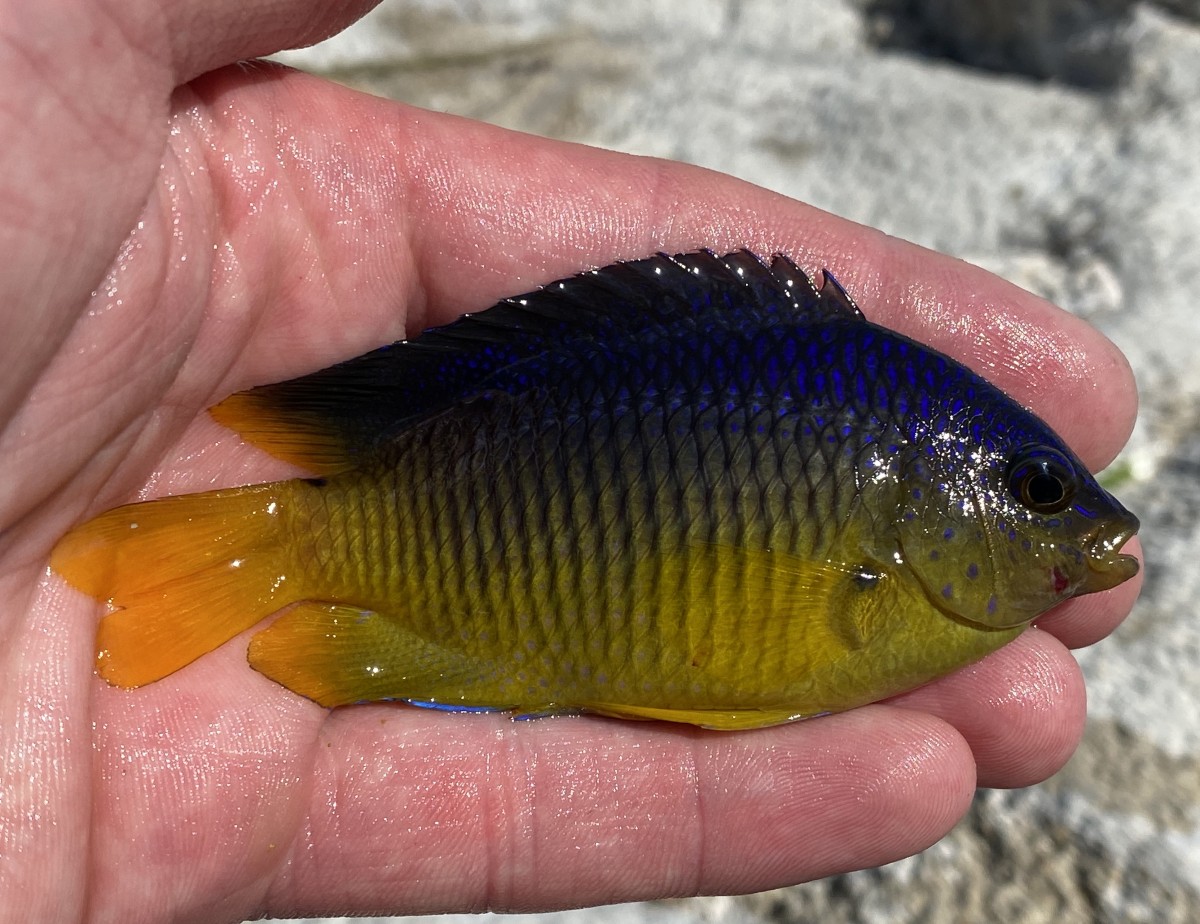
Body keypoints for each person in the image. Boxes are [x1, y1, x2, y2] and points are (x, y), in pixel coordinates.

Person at [0, 1, 1142, 921]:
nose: (1072, 526)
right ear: (924, 494)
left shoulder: (930, 585)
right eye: (1036, 489)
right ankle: (278, 547)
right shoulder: (907, 546)